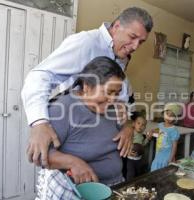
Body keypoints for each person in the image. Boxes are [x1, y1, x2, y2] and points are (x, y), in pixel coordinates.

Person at [21, 7, 153, 167]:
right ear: (117, 26)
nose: (135, 46)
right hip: (74, 131)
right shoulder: (86, 42)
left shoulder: (121, 53)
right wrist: (39, 122)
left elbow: (121, 96)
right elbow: (41, 75)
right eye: (133, 37)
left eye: (141, 42)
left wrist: (127, 125)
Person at [36, 56, 125, 200]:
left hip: (115, 187)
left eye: (117, 93)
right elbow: (40, 155)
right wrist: (74, 162)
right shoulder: (63, 109)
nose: (113, 99)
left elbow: (124, 122)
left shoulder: (112, 108)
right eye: (109, 92)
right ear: (87, 87)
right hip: (79, 193)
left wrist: (128, 128)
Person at [150, 104, 180, 171]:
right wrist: (153, 130)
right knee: (155, 170)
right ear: (164, 114)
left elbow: (174, 146)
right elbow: (159, 129)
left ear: (175, 118)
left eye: (171, 115)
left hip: (167, 156)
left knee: (163, 171)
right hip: (158, 153)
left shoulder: (174, 130)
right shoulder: (161, 125)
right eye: (167, 114)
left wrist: (171, 159)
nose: (168, 117)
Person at [126, 114, 151, 180]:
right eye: (138, 123)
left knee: (138, 173)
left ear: (145, 127)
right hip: (130, 158)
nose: (140, 126)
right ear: (134, 124)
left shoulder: (141, 135)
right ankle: (128, 185)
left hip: (139, 159)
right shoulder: (132, 133)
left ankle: (136, 185)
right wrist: (128, 152)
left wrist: (147, 138)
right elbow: (127, 143)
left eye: (143, 125)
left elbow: (142, 145)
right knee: (130, 174)